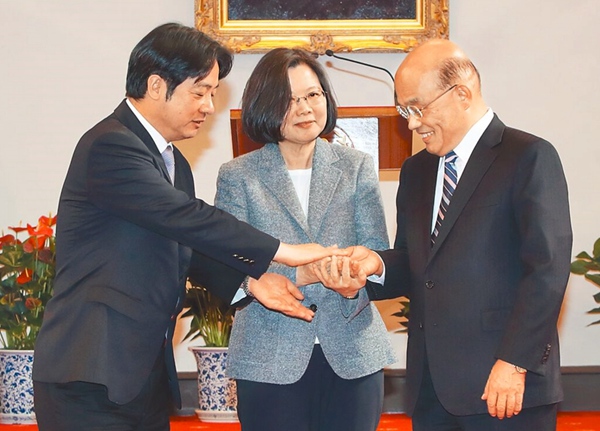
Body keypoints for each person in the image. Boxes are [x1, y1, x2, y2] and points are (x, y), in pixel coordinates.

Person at [32, 23, 340, 431]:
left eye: (213, 93)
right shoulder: (110, 145)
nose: (209, 106)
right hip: (90, 374)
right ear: (156, 85)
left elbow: (186, 247)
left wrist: (252, 283)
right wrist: (285, 250)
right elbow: (188, 218)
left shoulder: (172, 162)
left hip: (140, 380)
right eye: (200, 92)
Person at [333, 39, 573, 430]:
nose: (412, 124)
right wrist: (374, 265)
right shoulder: (416, 171)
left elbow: (547, 270)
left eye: (418, 108)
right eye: (404, 111)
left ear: (461, 94)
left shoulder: (527, 156)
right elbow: (417, 262)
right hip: (431, 390)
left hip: (504, 385)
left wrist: (514, 362)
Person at [214, 47, 396, 431]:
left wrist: (354, 279)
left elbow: (376, 249)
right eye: (289, 99)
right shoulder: (238, 176)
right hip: (268, 356)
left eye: (313, 95)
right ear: (265, 105)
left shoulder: (357, 166)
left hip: (352, 352)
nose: (305, 108)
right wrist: (304, 273)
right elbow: (229, 265)